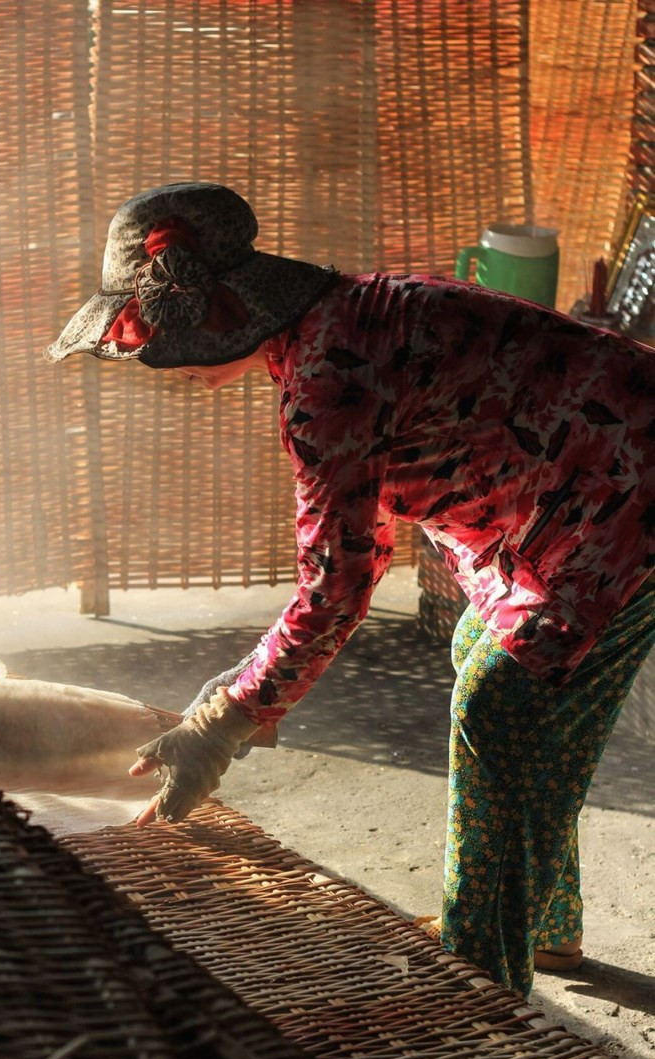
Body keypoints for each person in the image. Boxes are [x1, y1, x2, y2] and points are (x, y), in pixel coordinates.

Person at [47, 181, 655, 998]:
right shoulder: (352, 314)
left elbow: (337, 585)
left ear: (226, 310)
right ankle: (537, 920)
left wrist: (228, 718)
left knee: (500, 699)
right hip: (581, 499)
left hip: (625, 504)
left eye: (160, 333)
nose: (164, 364)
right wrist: (251, 689)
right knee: (482, 654)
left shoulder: (326, 380)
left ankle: (481, 981)